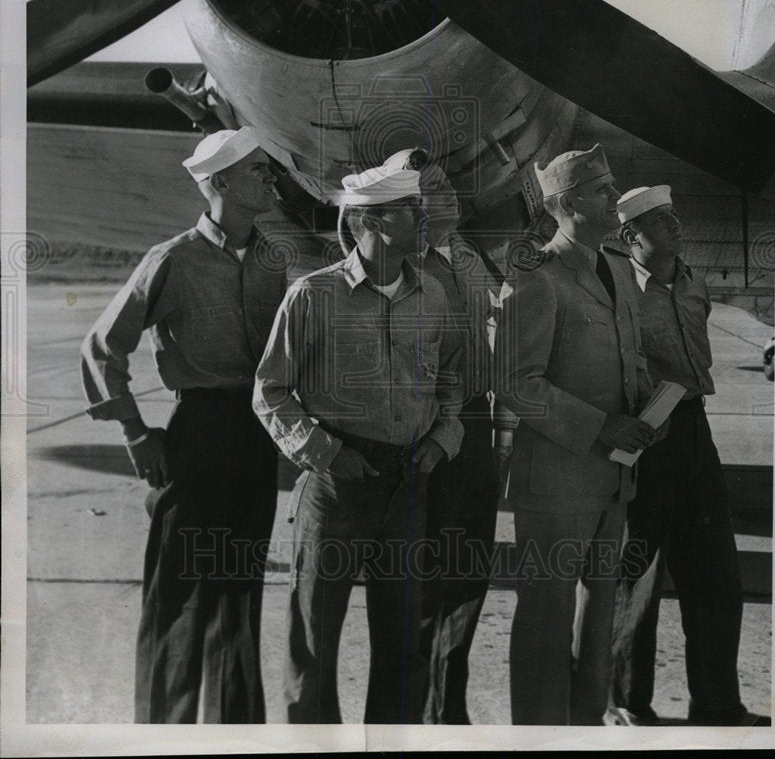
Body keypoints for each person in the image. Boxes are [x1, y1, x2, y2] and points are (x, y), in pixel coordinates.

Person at [80, 127, 286, 724]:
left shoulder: (278, 260)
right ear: (219, 182)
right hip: (197, 434)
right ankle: (161, 734)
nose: (272, 180)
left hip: (257, 435)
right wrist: (137, 435)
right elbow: (101, 347)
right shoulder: (173, 260)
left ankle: (235, 735)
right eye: (258, 171)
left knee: (239, 596)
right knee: (179, 596)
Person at [252, 162, 464, 724]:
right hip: (334, 485)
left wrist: (442, 439)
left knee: (403, 644)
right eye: (411, 210)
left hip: (409, 485)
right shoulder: (312, 295)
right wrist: (325, 453)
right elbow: (271, 391)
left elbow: (450, 382)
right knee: (315, 641)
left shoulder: (434, 294)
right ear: (370, 219)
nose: (425, 219)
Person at [494, 144, 665, 725]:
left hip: (613, 476)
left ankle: (586, 726)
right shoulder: (535, 277)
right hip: (557, 482)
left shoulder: (616, 267)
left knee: (598, 620)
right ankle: (538, 733)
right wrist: (601, 426)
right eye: (602, 191)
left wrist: (646, 411)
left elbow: (628, 358)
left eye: (612, 187)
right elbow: (515, 384)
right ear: (567, 205)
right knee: (546, 619)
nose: (616, 199)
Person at [608, 185, 763, 727]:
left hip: (696, 429)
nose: (675, 224)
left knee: (717, 573)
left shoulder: (693, 283)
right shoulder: (617, 286)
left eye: (674, 213)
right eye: (660, 219)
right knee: (639, 577)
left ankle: (718, 704)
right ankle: (627, 704)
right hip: (647, 437)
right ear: (632, 235)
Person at [383, 147, 500, 725]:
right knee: (425, 576)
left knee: (470, 568)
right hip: (423, 431)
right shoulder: (400, 267)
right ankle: (418, 711)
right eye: (432, 187)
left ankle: (447, 706)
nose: (449, 191)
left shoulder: (470, 257)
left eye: (448, 182)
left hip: (473, 425)